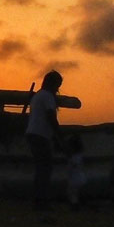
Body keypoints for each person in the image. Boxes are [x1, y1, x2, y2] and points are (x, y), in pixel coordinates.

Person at [25, 70, 63, 211]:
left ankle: (38, 200)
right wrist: (59, 135)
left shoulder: (37, 96)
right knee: (45, 169)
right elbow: (51, 117)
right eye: (58, 85)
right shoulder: (47, 97)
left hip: (33, 133)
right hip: (40, 135)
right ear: (52, 84)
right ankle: (42, 201)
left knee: (41, 168)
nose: (58, 88)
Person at [64, 135, 86, 210]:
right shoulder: (80, 156)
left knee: (72, 194)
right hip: (80, 177)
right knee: (76, 193)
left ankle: (75, 206)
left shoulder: (73, 158)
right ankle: (79, 204)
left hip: (74, 179)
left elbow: (72, 167)